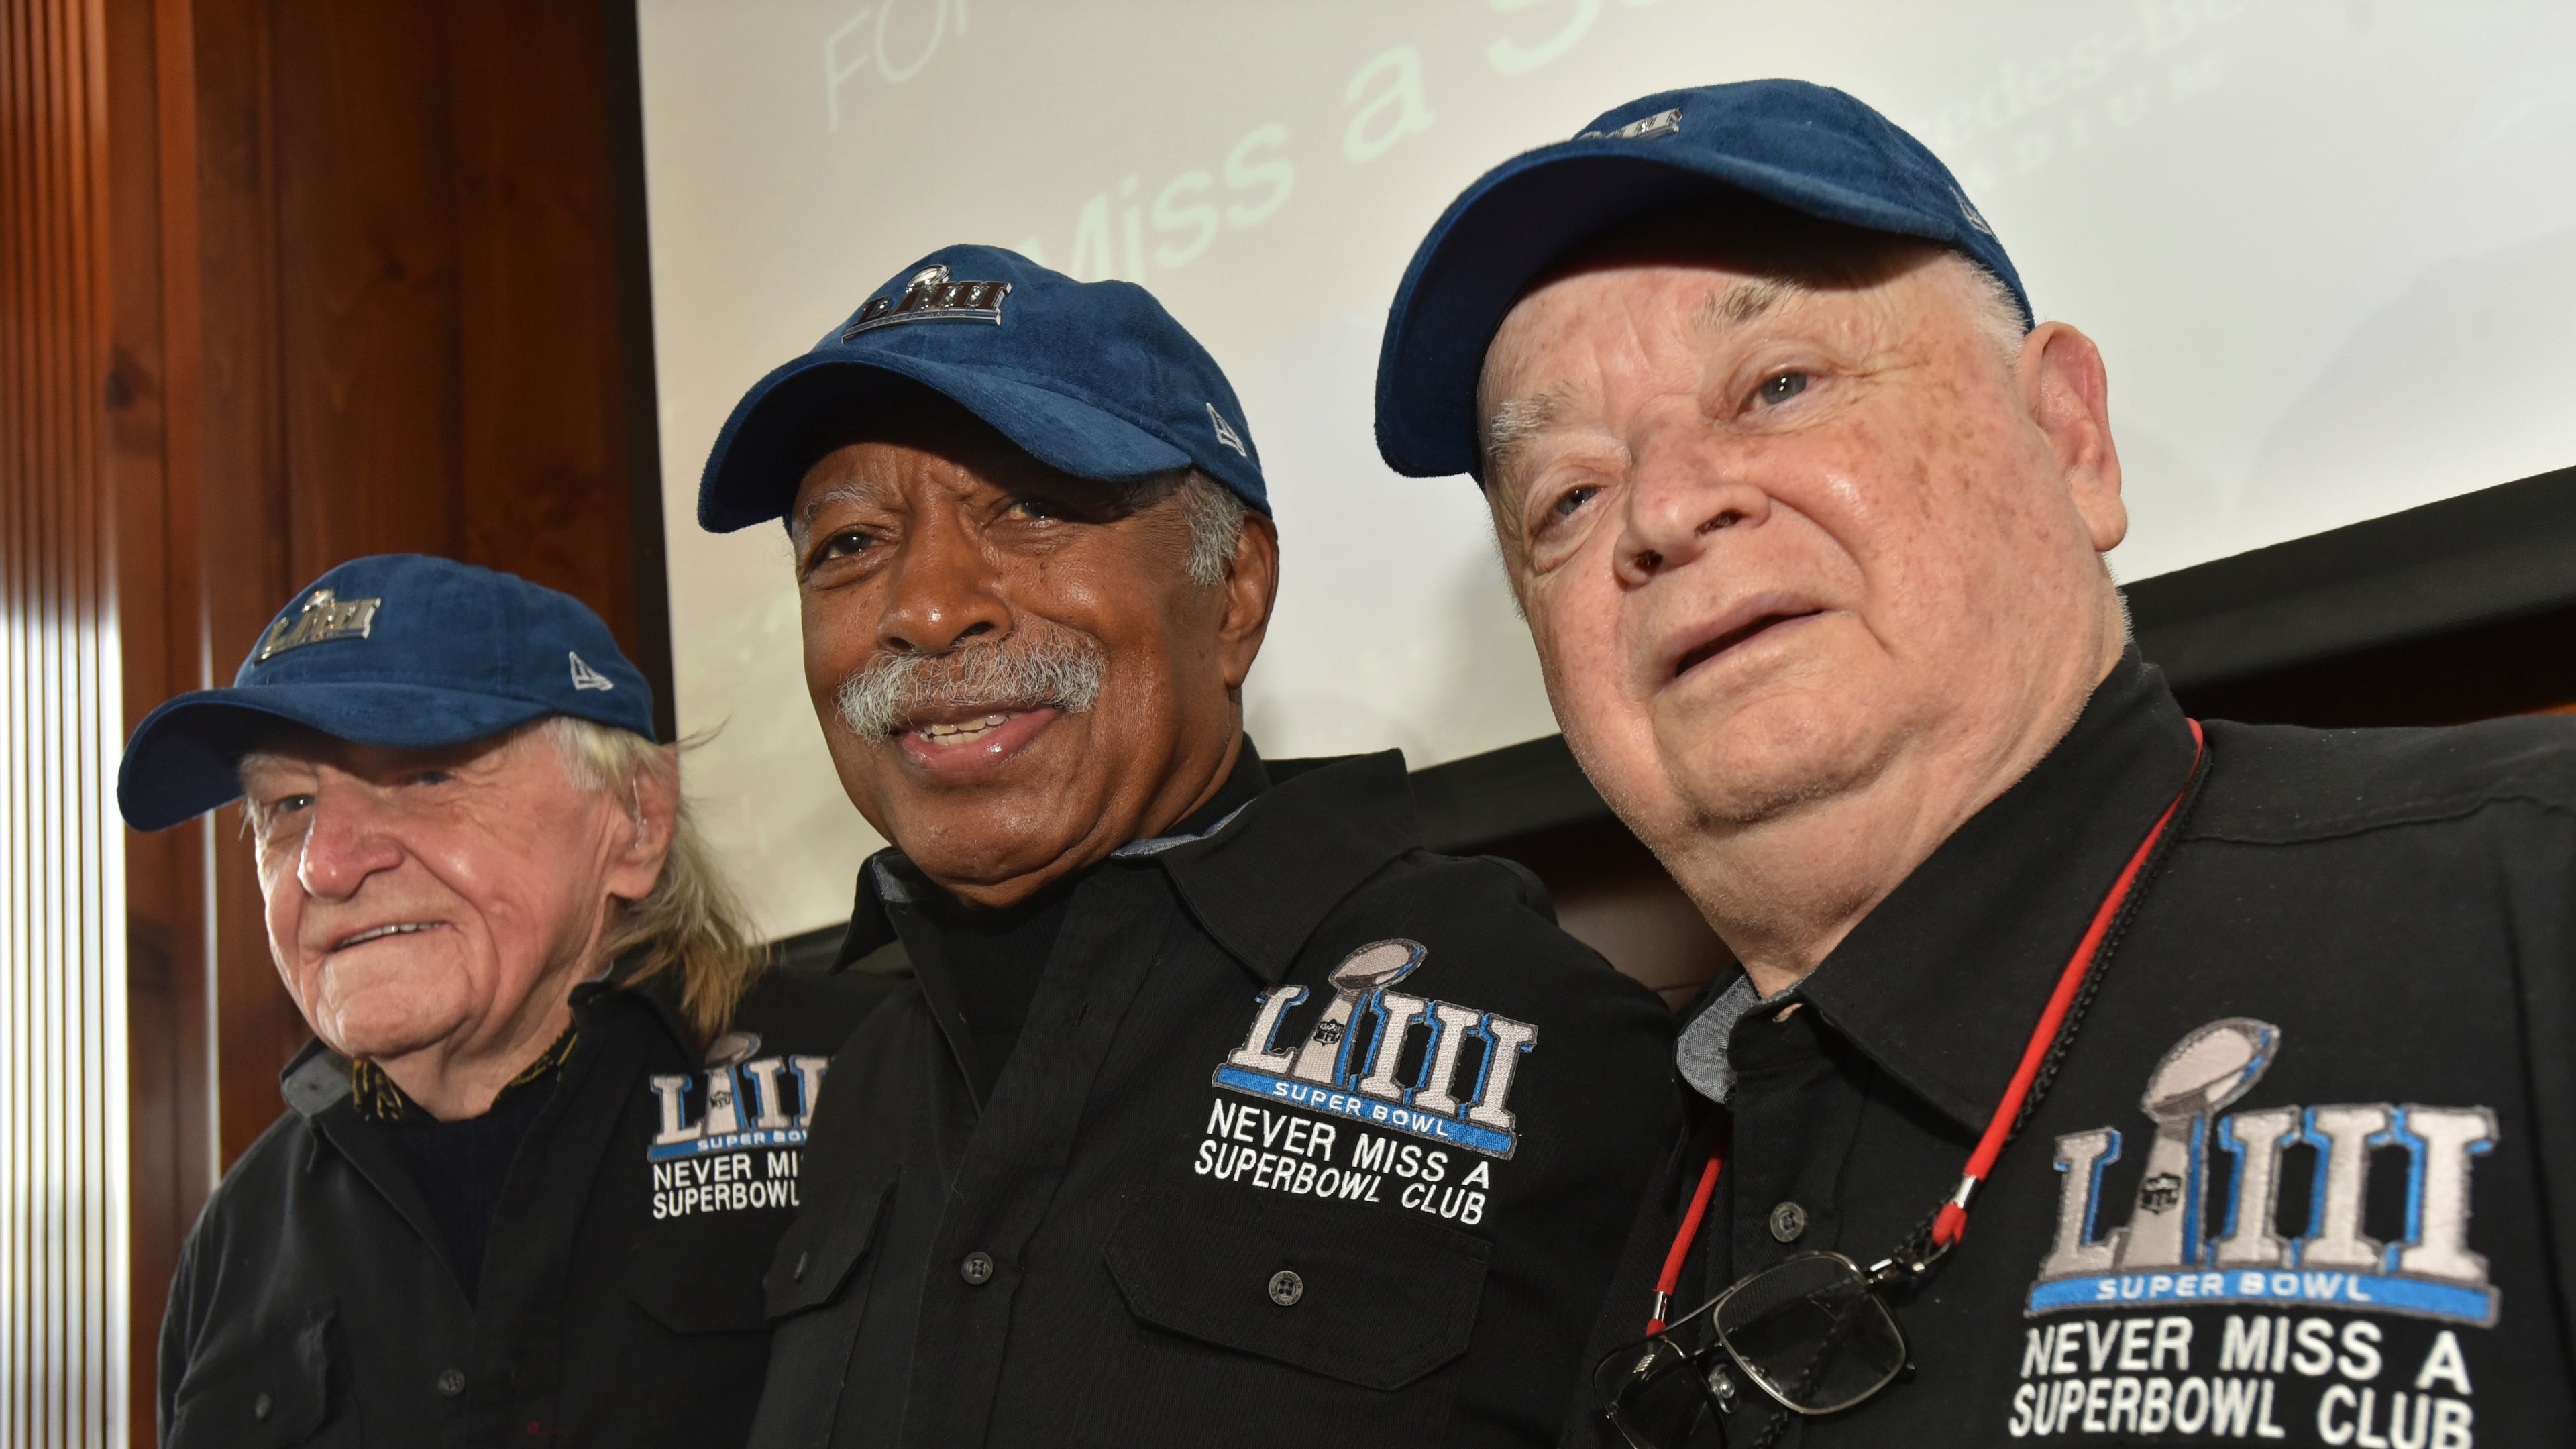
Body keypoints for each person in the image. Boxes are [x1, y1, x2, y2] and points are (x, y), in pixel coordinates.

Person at [1372, 80, 2576, 1448]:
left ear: (2069, 437)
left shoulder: (2526, 901)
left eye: (1778, 386)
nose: (1657, 510)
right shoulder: (1609, 1196)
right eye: (1567, 497)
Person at [692, 244, 1676, 1448]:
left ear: (1235, 591)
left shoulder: (1538, 1029)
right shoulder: (851, 1092)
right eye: (848, 544)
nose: (930, 606)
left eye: (1031, 505)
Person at [124, 555, 898, 1448]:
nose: (324, 865)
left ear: (636, 818)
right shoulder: (239, 1237)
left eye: (424, 777)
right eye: (288, 804)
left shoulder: (881, 1085)